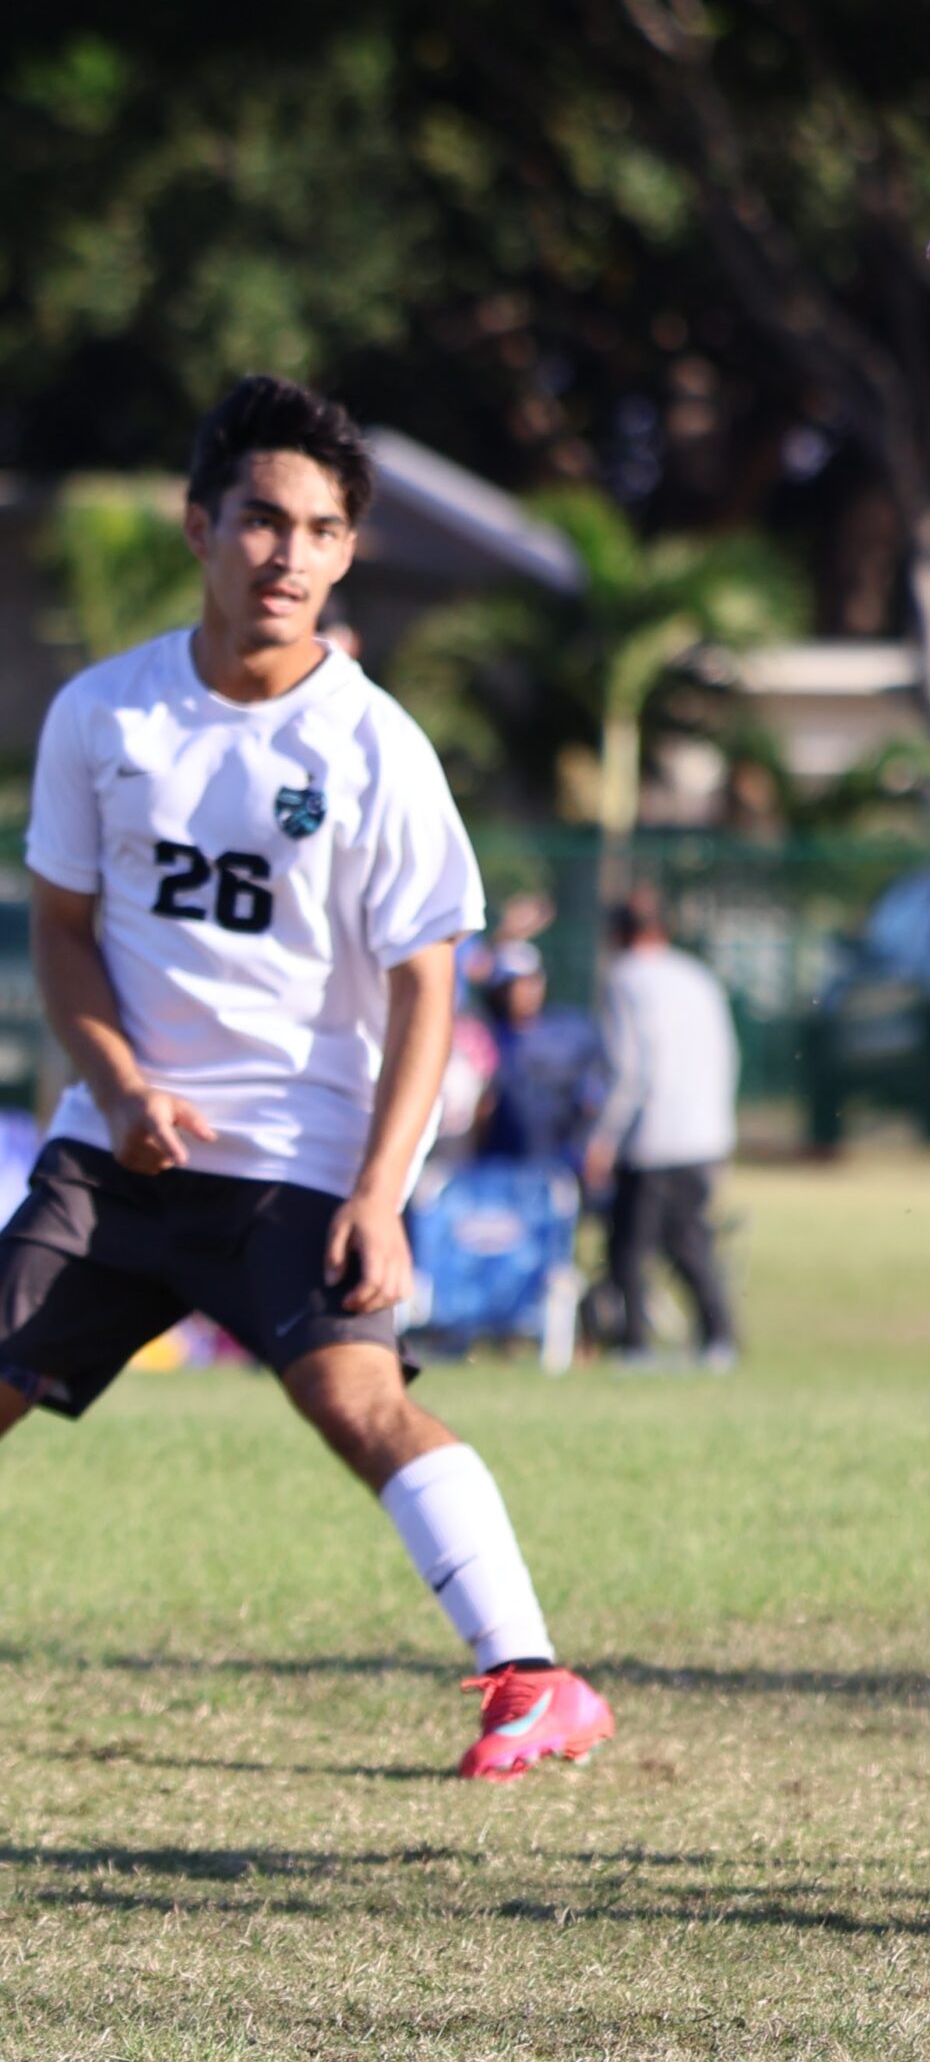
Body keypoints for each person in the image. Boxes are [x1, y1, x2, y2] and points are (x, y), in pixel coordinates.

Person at [0, 373, 612, 1780]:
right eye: (262, 521)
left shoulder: (370, 744)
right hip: (116, 1157)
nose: (288, 554)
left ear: (348, 554)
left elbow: (426, 981)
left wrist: (381, 1196)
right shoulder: (104, 717)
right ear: (199, 525)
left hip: (299, 1158)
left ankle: (532, 1680)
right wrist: (119, 1082)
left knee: (358, 1403)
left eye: (322, 530)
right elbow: (63, 931)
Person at [583, 889, 742, 1370]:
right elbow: (728, 1054)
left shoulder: (624, 979)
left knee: (629, 1246)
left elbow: (628, 1068)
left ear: (617, 935)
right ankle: (719, 1337)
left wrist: (603, 1137)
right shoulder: (699, 976)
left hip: (650, 1135)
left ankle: (634, 1345)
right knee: (690, 1239)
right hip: (704, 1132)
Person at [477, 941, 605, 1171]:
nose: (525, 990)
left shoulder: (570, 1032)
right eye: (513, 984)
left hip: (558, 1165)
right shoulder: (484, 1036)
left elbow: (593, 1093)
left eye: (532, 981)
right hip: (497, 1166)